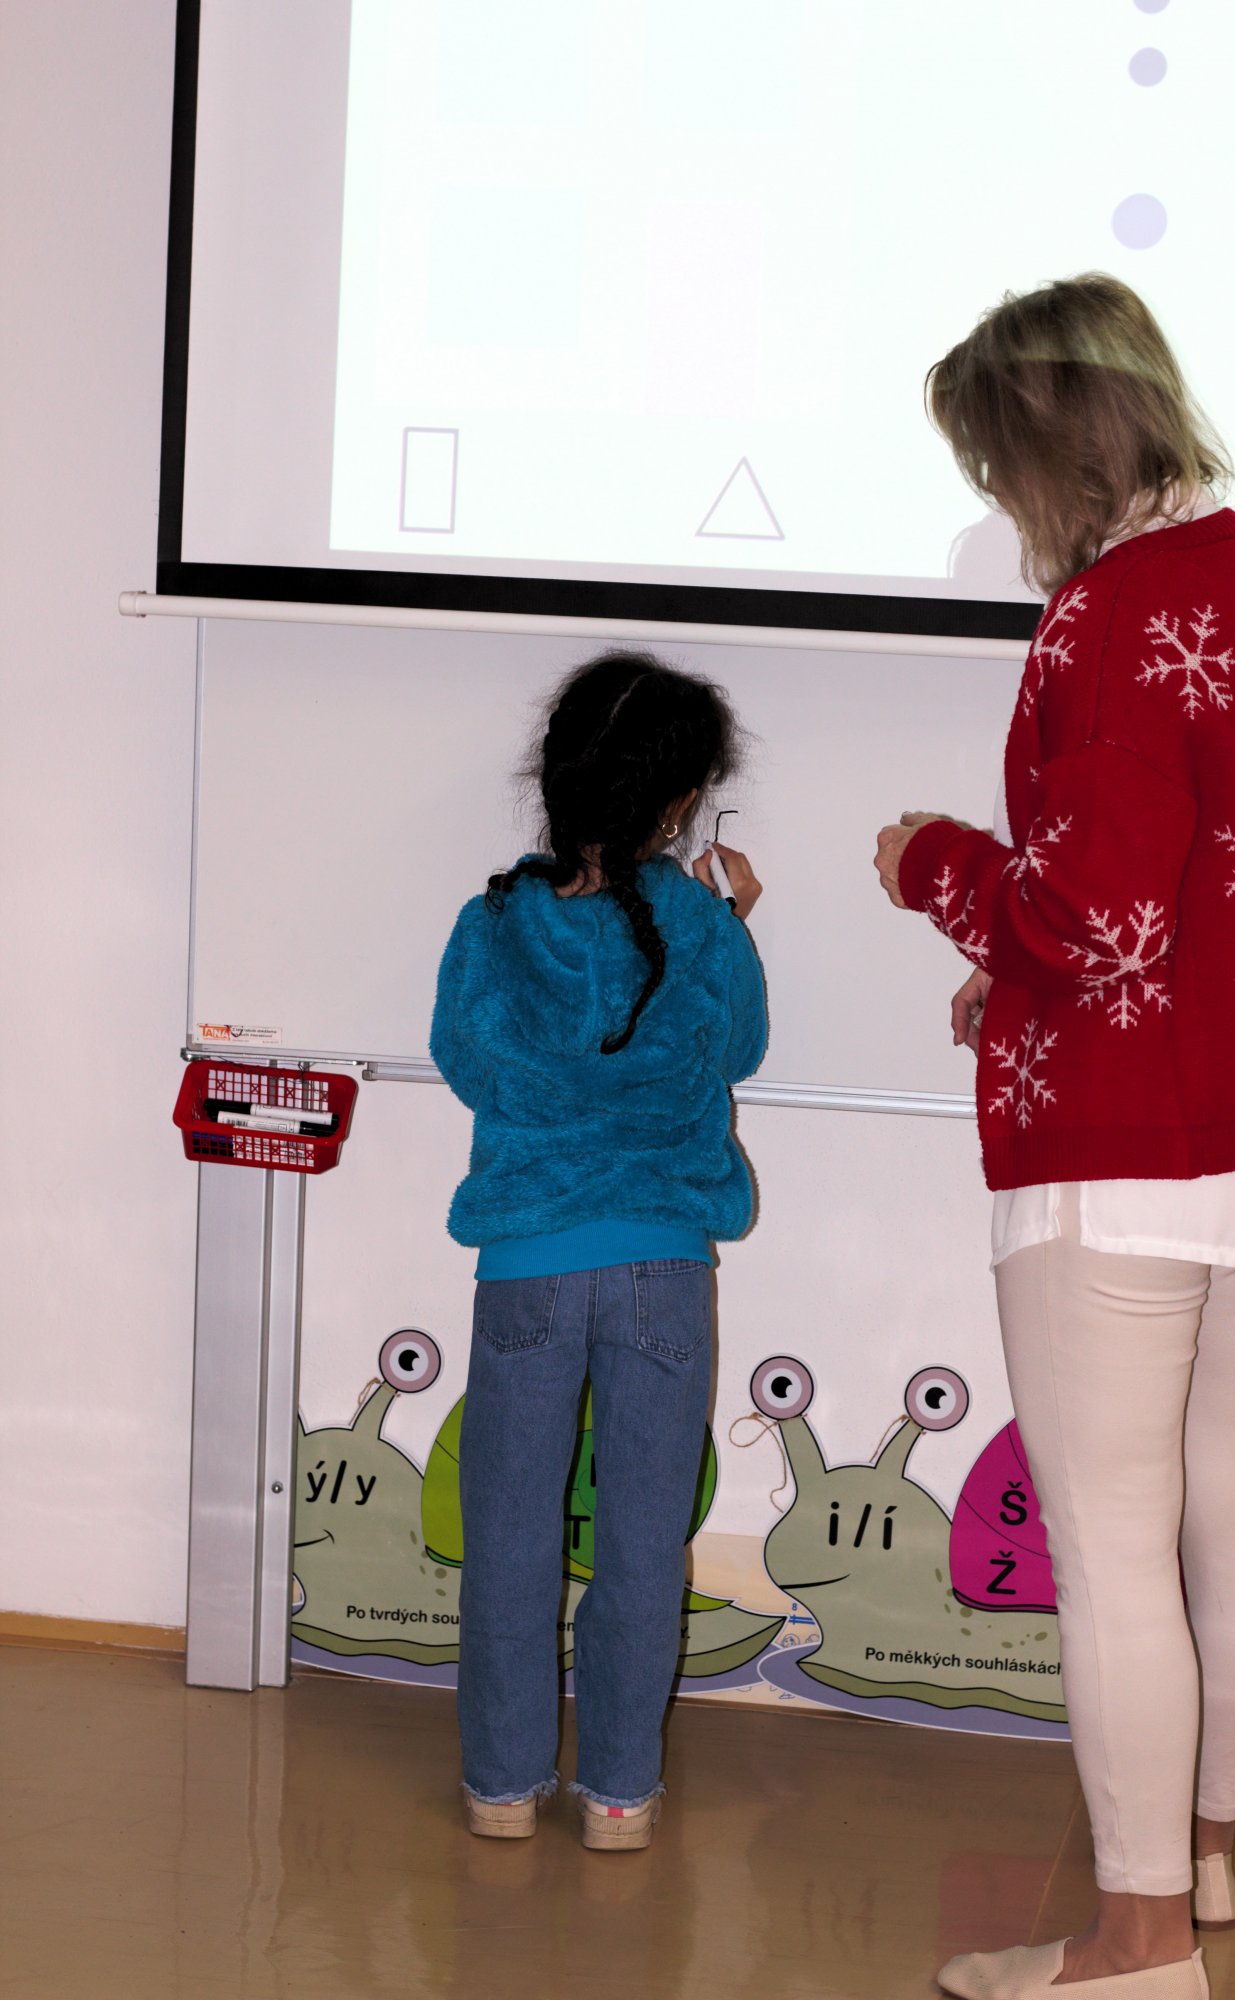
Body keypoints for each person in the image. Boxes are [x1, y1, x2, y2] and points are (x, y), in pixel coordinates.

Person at [875, 274, 1235, 1999]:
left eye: (993, 465)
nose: (996, 502)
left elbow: (1096, 915)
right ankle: (1198, 1855)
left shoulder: (1107, 615)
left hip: (1122, 1150)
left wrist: (935, 866)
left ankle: (1135, 1949)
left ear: (1048, 446)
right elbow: (1232, 887)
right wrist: (1026, 968)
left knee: (1117, 1540)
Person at [430, 649, 766, 1851]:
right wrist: (731, 923)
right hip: (661, 1269)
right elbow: (738, 1048)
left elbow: (467, 1062)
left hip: (523, 1264)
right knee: (640, 1544)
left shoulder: (490, 923)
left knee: (508, 1538)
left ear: (555, 776)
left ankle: (501, 1784)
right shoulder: (701, 926)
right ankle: (618, 1792)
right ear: (681, 803)